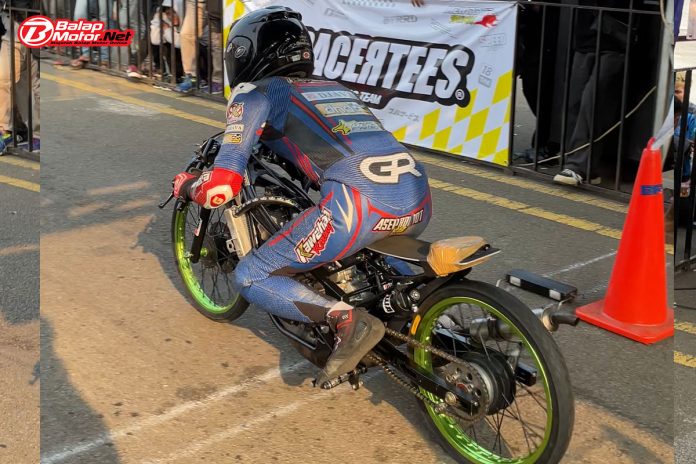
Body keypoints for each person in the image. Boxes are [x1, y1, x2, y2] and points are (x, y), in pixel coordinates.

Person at [172, 6, 432, 385]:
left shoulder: (255, 94)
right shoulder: (332, 88)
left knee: (251, 274)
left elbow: (221, 188)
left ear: (246, 54)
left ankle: (345, 321)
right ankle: (416, 314)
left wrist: (186, 185)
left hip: (357, 208)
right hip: (417, 195)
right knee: (378, 260)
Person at [0, 0, 40, 154]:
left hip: (35, 25)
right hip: (10, 24)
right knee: (4, 79)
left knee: (34, 87)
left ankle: (34, 133)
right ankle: (5, 131)